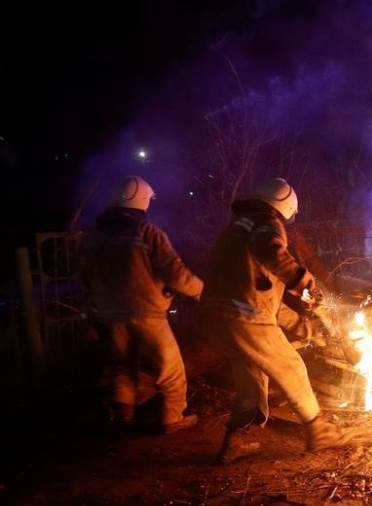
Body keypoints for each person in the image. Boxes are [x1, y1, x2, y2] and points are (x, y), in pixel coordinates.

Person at [201, 177, 345, 463]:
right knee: (291, 367)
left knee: (252, 378)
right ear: (286, 206)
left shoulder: (237, 227)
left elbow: (268, 304)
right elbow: (273, 253)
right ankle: (318, 430)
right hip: (244, 314)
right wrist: (307, 288)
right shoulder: (266, 223)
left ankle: (237, 440)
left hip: (213, 314)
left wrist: (307, 328)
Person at [79, 176, 203, 433]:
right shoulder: (147, 232)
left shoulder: (92, 236)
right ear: (143, 200)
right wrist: (204, 292)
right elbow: (175, 273)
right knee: (171, 370)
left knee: (122, 364)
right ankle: (173, 419)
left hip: (108, 313)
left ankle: (123, 414)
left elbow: (84, 275)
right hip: (146, 312)